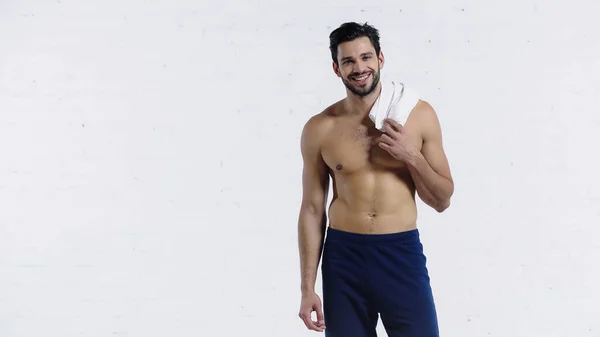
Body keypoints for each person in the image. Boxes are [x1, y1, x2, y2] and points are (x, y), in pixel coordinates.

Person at [297, 22, 454, 337]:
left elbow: (442, 199)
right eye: (348, 61)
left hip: (399, 253)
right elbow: (313, 209)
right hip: (343, 257)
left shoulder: (419, 117)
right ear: (336, 69)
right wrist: (307, 287)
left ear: (381, 59)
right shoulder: (320, 128)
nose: (359, 67)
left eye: (366, 57)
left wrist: (411, 156)